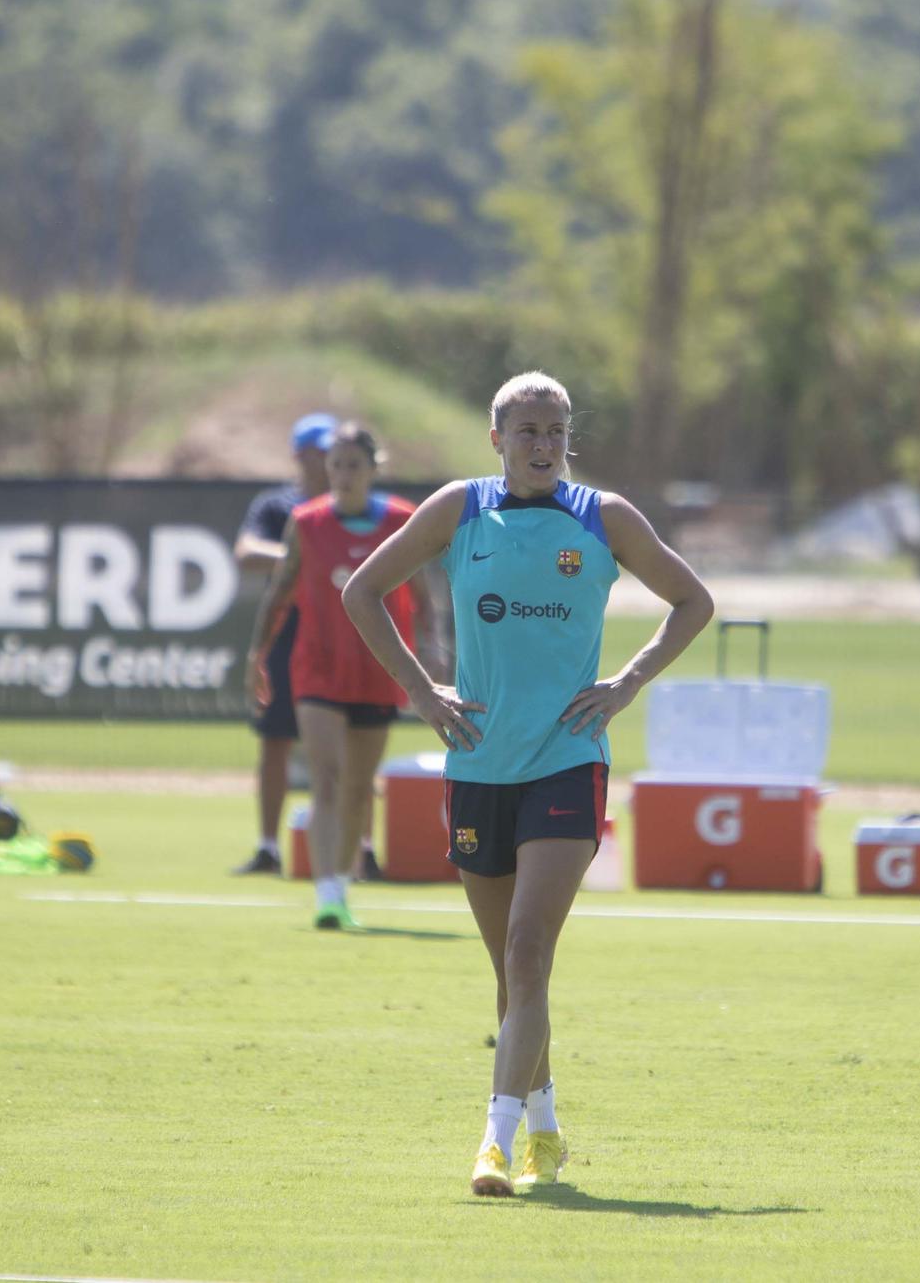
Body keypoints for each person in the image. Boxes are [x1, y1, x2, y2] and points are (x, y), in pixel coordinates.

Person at [342, 371, 713, 1198]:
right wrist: (420, 687)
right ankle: (545, 1122)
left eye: (556, 430)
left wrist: (628, 681)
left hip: (568, 759)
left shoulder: (604, 517)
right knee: (512, 978)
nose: (543, 445)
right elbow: (362, 591)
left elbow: (693, 600)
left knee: (527, 950)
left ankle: (493, 1141)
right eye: (528, 430)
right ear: (497, 436)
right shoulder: (458, 510)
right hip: (476, 762)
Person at [244, 421, 440, 929]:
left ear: (375, 468)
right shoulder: (306, 522)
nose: (344, 475)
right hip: (318, 669)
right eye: (336, 465)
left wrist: (433, 655)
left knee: (358, 786)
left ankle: (344, 885)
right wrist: (257, 655)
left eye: (355, 465)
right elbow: (280, 591)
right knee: (326, 779)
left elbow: (422, 601)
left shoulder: (401, 520)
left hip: (378, 670)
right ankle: (328, 892)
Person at [232, 413, 390, 878]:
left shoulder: (369, 510)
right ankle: (268, 846)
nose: (330, 464)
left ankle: (362, 850)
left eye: (339, 457)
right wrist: (312, 555)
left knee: (357, 760)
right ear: (300, 455)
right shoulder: (283, 508)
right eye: (322, 454)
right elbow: (246, 552)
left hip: (353, 634)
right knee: (276, 739)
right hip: (293, 635)